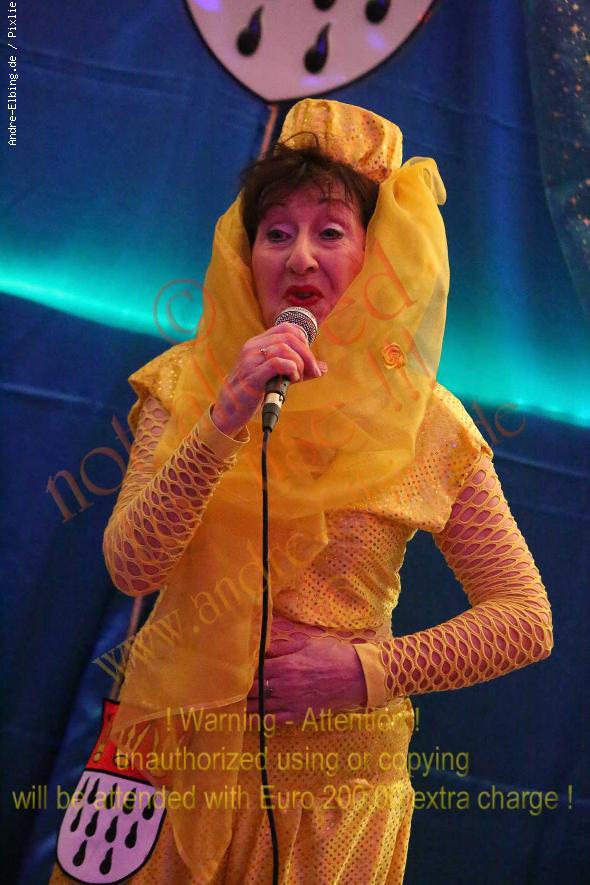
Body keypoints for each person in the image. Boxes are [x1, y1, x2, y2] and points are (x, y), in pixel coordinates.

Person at [52, 99, 553, 884]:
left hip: (333, 799)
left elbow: (525, 618)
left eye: (331, 231)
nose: (301, 258)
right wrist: (223, 418)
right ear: (245, 251)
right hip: (165, 768)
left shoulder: (430, 422)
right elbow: (132, 566)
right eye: (276, 232)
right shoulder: (189, 383)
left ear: (378, 255)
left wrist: (364, 671)